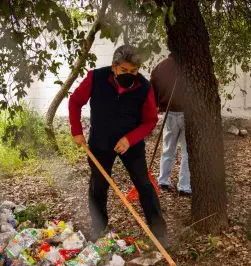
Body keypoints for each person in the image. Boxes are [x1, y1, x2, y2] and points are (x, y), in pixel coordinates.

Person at [68, 44, 169, 248]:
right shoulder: (95, 78)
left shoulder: (144, 87)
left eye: (133, 71)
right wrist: (76, 130)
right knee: (98, 185)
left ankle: (160, 234)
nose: (129, 75)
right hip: (100, 142)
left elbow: (150, 120)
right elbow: (75, 101)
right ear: (114, 67)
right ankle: (98, 229)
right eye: (124, 71)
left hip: (130, 145)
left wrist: (130, 139)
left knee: (144, 184)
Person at [151, 54, 192, 197]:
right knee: (187, 152)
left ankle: (163, 181)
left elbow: (152, 86)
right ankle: (184, 186)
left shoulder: (161, 66)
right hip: (186, 113)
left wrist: (156, 104)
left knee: (169, 149)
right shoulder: (191, 64)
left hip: (172, 113)